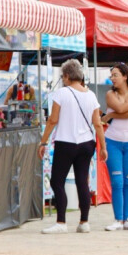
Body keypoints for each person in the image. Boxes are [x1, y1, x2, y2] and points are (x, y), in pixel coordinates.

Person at [38, 59, 106, 234]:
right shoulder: (91, 95)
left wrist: (43, 142)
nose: (63, 79)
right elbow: (97, 124)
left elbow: (52, 120)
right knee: (82, 181)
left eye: (63, 76)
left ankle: (61, 222)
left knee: (57, 181)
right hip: (87, 144)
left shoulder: (61, 93)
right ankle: (84, 222)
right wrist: (103, 147)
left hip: (66, 143)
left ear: (67, 76)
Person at [101, 63, 128, 231]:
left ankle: (126, 219)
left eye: (115, 75)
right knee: (117, 182)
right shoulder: (110, 94)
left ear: (125, 76)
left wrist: (111, 115)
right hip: (113, 142)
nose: (112, 78)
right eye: (111, 75)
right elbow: (120, 108)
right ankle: (117, 219)